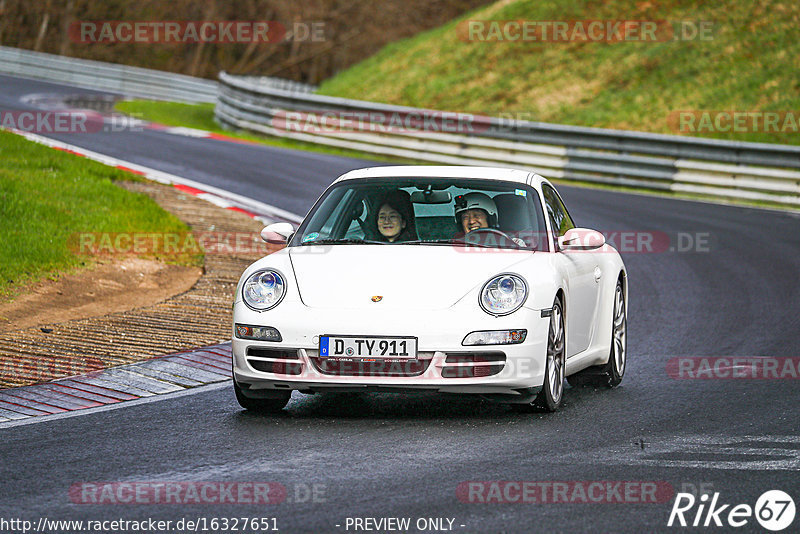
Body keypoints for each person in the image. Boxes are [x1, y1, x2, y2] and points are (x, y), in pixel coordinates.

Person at [454, 192, 526, 247]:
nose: (471, 221)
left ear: (490, 218)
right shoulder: (453, 245)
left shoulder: (513, 244)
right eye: (465, 217)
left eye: (477, 215)